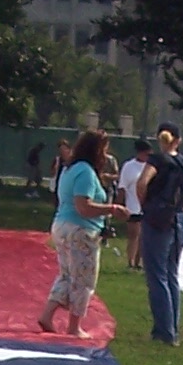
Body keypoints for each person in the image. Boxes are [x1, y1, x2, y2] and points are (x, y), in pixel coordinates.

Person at [38, 128, 124, 337]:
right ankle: (74, 326)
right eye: (104, 149)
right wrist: (112, 209)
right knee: (84, 279)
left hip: (61, 225)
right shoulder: (85, 172)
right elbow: (83, 206)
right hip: (80, 230)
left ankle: (47, 314)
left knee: (67, 274)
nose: (105, 154)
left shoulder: (69, 169)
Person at [138, 123, 183, 344]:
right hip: (178, 218)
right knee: (171, 274)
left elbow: (142, 182)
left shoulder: (157, 160)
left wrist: (145, 205)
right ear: (178, 140)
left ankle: (164, 330)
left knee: (156, 275)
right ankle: (172, 328)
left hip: (158, 218)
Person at [117, 139, 150, 268]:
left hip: (147, 206)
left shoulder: (150, 167)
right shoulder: (129, 166)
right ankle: (130, 261)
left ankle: (139, 261)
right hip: (132, 205)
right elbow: (122, 186)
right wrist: (120, 204)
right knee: (133, 234)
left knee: (144, 236)